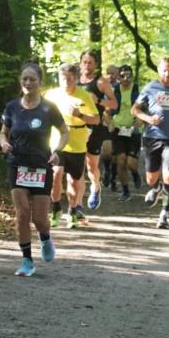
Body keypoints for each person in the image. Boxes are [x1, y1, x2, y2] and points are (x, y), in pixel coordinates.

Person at [0, 62, 69, 276]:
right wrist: (3, 143)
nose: (28, 83)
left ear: (40, 82)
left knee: (39, 219)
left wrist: (57, 151)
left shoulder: (48, 108)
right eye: (24, 79)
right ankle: (27, 260)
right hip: (17, 164)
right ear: (20, 82)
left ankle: (45, 238)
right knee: (22, 214)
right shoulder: (12, 107)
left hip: (41, 165)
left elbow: (65, 132)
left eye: (32, 79)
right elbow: (3, 132)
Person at [132, 56, 169, 229]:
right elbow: (135, 110)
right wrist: (149, 118)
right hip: (152, 137)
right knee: (151, 178)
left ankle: (164, 214)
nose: (167, 72)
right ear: (159, 70)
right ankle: (156, 188)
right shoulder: (150, 88)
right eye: (164, 69)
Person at [45, 64, 100, 229]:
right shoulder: (51, 95)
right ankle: (55, 208)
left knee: (74, 181)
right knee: (55, 174)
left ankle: (73, 210)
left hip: (77, 143)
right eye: (63, 78)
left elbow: (96, 119)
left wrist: (80, 114)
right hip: (56, 141)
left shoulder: (84, 96)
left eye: (69, 78)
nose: (66, 82)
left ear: (76, 79)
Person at [78, 50, 117, 211]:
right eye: (84, 62)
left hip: (95, 128)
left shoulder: (100, 83)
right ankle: (77, 204)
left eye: (90, 62)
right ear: (80, 63)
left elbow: (114, 104)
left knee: (91, 166)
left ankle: (95, 186)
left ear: (96, 65)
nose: (87, 65)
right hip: (76, 128)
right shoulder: (73, 81)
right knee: (77, 167)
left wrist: (99, 100)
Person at [110, 64, 141, 201]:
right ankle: (126, 190)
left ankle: (135, 173)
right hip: (118, 129)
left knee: (131, 163)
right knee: (121, 161)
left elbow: (145, 108)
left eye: (128, 75)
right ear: (119, 77)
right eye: (122, 76)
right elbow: (106, 111)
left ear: (132, 76)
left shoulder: (137, 90)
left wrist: (141, 119)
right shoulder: (114, 91)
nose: (126, 78)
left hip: (133, 130)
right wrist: (110, 122)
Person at [100, 63, 121, 191]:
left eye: (113, 73)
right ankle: (106, 170)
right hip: (106, 120)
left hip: (119, 121)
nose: (110, 75)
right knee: (107, 150)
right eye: (108, 72)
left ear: (118, 74)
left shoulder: (121, 87)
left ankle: (113, 177)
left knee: (116, 154)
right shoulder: (102, 86)